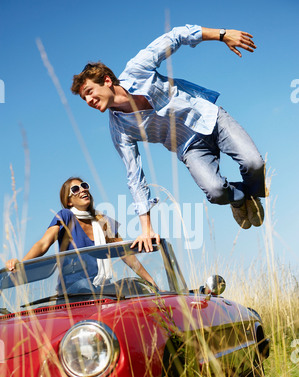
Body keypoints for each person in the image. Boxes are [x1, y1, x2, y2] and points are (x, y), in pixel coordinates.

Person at [71, 25, 267, 251]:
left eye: (89, 92)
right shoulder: (120, 129)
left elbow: (176, 36)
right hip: (189, 147)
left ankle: (253, 195)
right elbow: (134, 176)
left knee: (254, 163)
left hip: (210, 118)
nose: (88, 101)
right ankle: (239, 197)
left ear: (106, 81)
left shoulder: (137, 69)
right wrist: (146, 228)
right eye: (84, 99)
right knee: (216, 192)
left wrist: (222, 35)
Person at [5, 177, 156, 292]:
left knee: (133, 286)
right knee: (86, 286)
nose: (83, 190)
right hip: (74, 291)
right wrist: (21, 263)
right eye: (75, 189)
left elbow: (126, 255)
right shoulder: (65, 216)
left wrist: (153, 283)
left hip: (101, 289)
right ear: (69, 201)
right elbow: (44, 243)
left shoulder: (104, 221)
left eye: (84, 186)